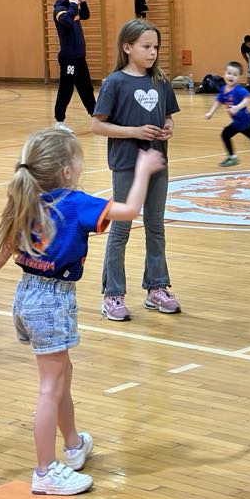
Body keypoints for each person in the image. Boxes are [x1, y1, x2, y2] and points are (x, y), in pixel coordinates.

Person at [0, 128, 166, 496]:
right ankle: (45, 471)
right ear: (67, 171)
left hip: (27, 297)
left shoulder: (26, 203)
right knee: (50, 388)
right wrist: (143, 170)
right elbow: (131, 210)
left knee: (61, 376)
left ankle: (73, 445)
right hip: (52, 302)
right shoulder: (74, 203)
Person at [91, 19, 181, 322]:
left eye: (156, 47)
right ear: (127, 47)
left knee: (156, 226)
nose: (153, 52)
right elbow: (97, 125)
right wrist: (134, 132)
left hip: (157, 162)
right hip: (127, 164)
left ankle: (157, 287)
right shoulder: (115, 82)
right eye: (146, 46)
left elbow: (168, 116)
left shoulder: (161, 81)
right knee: (122, 228)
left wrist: (167, 126)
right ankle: (112, 294)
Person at [53, 0, 96, 131]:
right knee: (66, 88)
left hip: (79, 57)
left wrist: (83, 4)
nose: (78, 0)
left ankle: (95, 115)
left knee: (86, 88)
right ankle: (59, 121)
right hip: (69, 58)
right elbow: (67, 21)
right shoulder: (59, 9)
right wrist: (72, 4)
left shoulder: (72, 8)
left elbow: (86, 15)